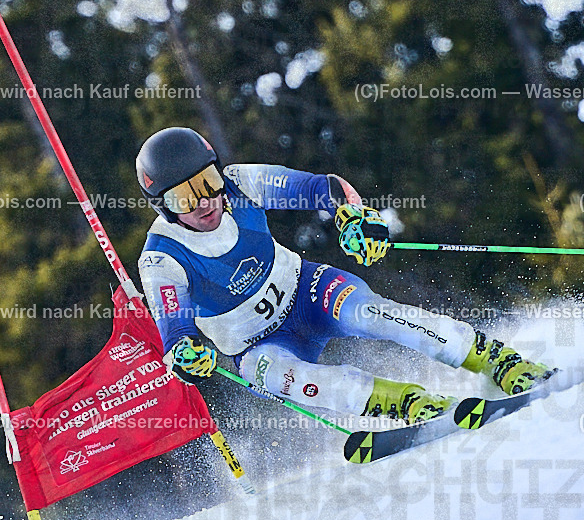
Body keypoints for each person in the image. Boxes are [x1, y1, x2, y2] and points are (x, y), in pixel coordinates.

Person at [135, 127, 554, 427]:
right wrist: (186, 355)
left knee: (372, 315)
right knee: (284, 378)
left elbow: (323, 187)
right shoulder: (161, 258)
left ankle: (497, 361)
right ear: (163, 207)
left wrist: (352, 216)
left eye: (208, 181)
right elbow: (175, 331)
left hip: (307, 292)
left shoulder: (242, 183)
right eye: (184, 197)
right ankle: (409, 404)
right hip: (257, 346)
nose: (205, 201)